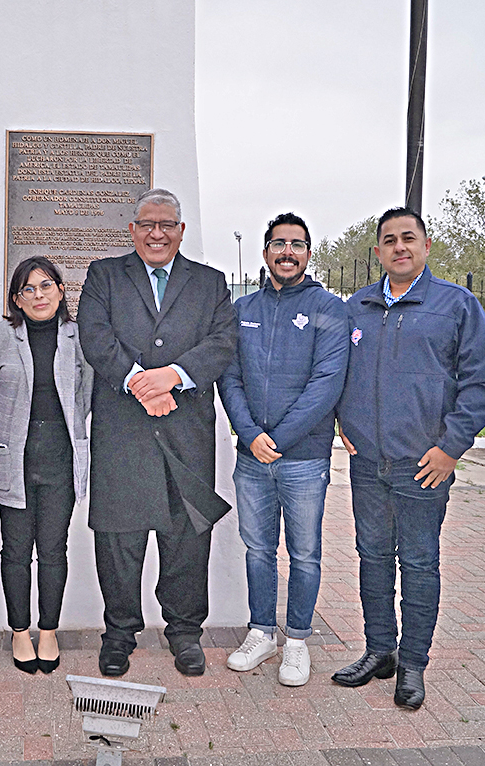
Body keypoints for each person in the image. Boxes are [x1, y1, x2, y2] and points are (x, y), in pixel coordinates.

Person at [333, 206, 485, 709]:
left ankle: (413, 665)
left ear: (426, 247)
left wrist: (451, 447)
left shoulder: (456, 305)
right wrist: (344, 419)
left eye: (409, 238)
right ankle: (380, 651)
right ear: (379, 251)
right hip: (368, 464)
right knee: (374, 559)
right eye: (389, 240)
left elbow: (483, 383)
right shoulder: (356, 308)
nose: (399, 247)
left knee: (420, 563)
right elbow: (336, 372)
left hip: (424, 466)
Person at [78, 188, 237, 677]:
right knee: (119, 539)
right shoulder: (104, 276)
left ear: (181, 230)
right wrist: (137, 382)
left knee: (186, 536)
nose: (157, 233)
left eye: (167, 224)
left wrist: (173, 375)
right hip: (123, 431)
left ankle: (185, 632)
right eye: (147, 224)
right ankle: (120, 632)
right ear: (132, 230)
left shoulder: (211, 283)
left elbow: (223, 341)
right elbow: (95, 335)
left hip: (186, 432)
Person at [217, 212, 348, 685]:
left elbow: (326, 383)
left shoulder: (330, 309)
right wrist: (249, 433)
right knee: (258, 550)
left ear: (309, 253)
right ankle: (260, 632)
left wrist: (281, 438)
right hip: (252, 458)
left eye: (296, 244)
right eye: (278, 244)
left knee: (305, 552)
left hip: (305, 458)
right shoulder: (242, 309)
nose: (286, 252)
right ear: (266, 251)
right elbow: (228, 376)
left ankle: (296, 641)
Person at [0, 256, 92, 674]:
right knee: (16, 550)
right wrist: (10, 431)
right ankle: (20, 631)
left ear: (61, 292)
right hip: (16, 458)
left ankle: (48, 630)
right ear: (16, 299)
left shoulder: (76, 336)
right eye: (29, 289)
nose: (38, 295)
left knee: (54, 549)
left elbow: (86, 393)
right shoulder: (1, 336)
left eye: (46, 286)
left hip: (61, 456)